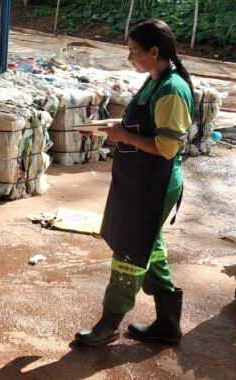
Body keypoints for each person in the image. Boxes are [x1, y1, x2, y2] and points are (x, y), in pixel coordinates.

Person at [76, 19, 195, 347]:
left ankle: (109, 322)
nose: (130, 58)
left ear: (154, 52)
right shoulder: (155, 80)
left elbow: (167, 146)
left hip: (154, 186)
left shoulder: (172, 89)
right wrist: (114, 124)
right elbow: (146, 124)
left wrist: (122, 135)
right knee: (149, 247)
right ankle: (168, 324)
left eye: (133, 52)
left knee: (130, 252)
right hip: (139, 182)